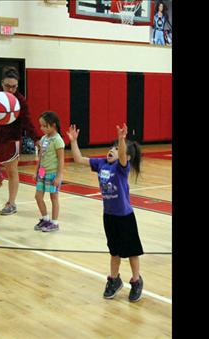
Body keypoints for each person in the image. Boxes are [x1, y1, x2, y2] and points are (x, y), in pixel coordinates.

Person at [66, 123, 144, 302]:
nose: (112, 150)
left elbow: (122, 156)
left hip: (125, 217)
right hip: (109, 216)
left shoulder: (121, 168)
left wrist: (121, 140)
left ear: (125, 156)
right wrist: (74, 142)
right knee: (114, 251)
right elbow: (79, 159)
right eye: (112, 147)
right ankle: (114, 280)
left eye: (116, 149)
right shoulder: (101, 163)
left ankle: (136, 280)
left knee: (132, 252)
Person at [0, 66, 41, 215]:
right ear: (2, 83)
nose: (11, 89)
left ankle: (11, 203)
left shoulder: (20, 101)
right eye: (8, 86)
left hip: (12, 140)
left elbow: (27, 121)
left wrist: (36, 139)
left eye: (14, 86)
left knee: (12, 171)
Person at [33, 112, 65, 232]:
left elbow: (61, 159)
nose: (41, 128)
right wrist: (36, 171)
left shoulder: (58, 140)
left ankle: (55, 223)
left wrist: (59, 176)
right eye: (41, 125)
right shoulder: (44, 138)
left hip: (52, 173)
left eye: (44, 126)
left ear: (53, 125)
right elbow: (41, 156)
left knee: (54, 198)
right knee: (38, 196)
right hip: (42, 171)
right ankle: (45, 218)